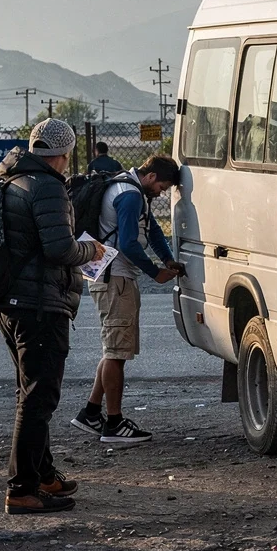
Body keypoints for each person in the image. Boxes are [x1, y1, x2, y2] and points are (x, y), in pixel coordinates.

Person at [0, 118, 104, 514]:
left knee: (29, 394)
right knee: (39, 399)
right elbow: (59, 249)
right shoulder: (47, 187)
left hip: (9, 303)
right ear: (64, 153)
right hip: (40, 305)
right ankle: (22, 489)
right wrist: (90, 253)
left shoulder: (9, 178)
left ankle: (43, 474)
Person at [71, 155, 183, 447]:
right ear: (150, 176)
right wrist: (154, 272)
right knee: (116, 353)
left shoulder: (127, 187)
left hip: (106, 275)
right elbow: (129, 243)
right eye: (163, 185)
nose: (162, 192)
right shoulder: (131, 195)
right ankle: (114, 423)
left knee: (113, 348)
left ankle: (91, 413)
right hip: (115, 278)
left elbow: (152, 231)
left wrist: (168, 257)